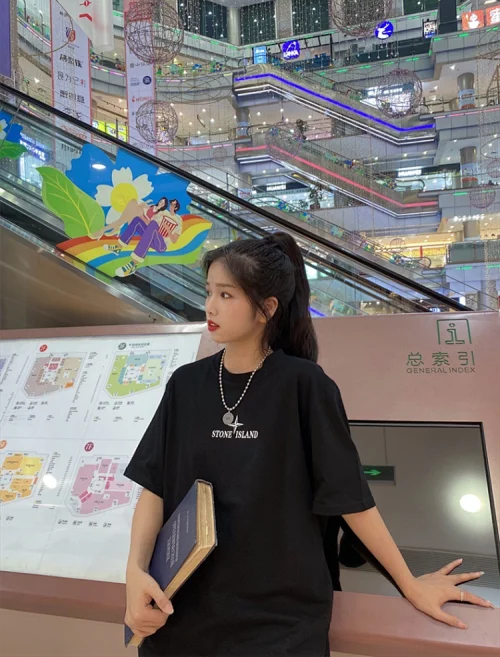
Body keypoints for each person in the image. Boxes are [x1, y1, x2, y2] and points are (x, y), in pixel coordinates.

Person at [124, 233, 493, 657]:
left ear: (267, 309)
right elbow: (154, 488)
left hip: (277, 628)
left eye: (226, 295)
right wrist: (135, 572)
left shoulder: (305, 386)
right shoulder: (185, 384)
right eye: (209, 292)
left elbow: (350, 499)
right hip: (180, 616)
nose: (210, 306)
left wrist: (409, 583)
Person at [105, 199, 182, 277]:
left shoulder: (178, 220)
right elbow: (150, 222)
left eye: (173, 205)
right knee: (137, 220)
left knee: (153, 224)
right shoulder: (163, 212)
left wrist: (168, 230)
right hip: (151, 236)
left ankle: (133, 264)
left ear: (176, 208)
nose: (171, 206)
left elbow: (174, 240)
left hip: (161, 245)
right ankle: (118, 247)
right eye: (171, 204)